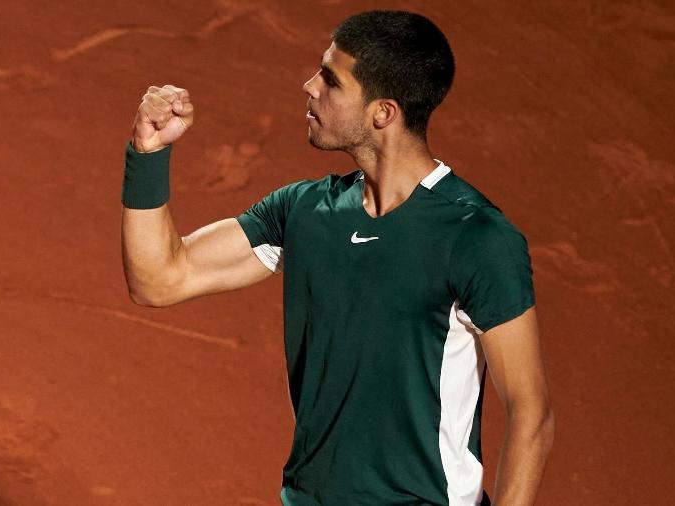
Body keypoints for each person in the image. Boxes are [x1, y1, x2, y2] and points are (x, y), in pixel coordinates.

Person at [120, 10, 553, 506]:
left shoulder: (474, 236)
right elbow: (159, 279)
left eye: (330, 79)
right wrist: (148, 154)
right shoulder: (304, 211)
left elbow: (529, 409)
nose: (309, 86)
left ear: (382, 113)